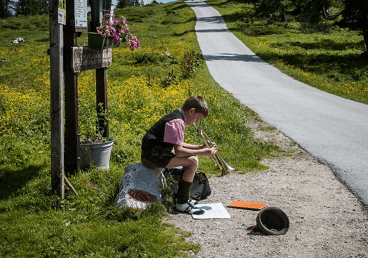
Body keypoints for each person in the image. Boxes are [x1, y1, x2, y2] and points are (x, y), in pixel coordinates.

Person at [141, 95, 217, 214]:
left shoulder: (177, 116)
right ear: (192, 111)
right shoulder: (178, 122)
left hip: (155, 152)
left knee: (192, 158)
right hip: (153, 156)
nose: (196, 121)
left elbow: (178, 143)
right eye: (197, 118)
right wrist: (203, 152)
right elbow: (179, 151)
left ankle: (183, 198)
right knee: (193, 161)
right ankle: (182, 203)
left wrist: (200, 147)